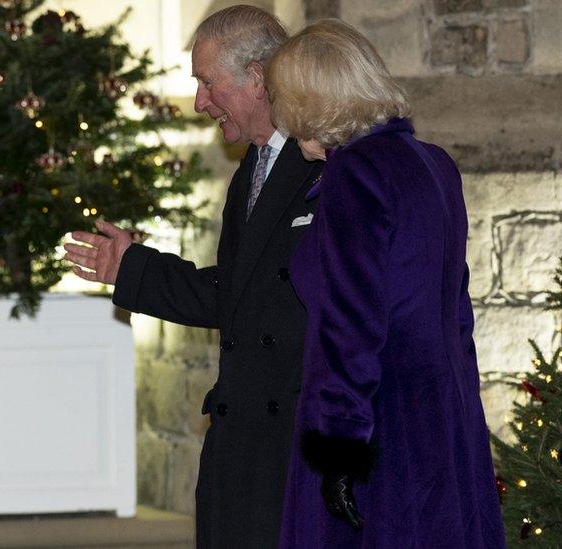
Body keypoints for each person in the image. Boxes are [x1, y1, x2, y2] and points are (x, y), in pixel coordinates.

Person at [64, 6, 323, 547]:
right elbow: (235, 295)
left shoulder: (322, 163)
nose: (202, 102)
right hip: (243, 435)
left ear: (257, 76)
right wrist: (133, 269)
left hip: (295, 442)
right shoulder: (253, 168)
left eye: (207, 82)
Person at [264, 20, 506, 547]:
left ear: (308, 102)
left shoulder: (356, 174)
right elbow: (458, 310)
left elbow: (350, 327)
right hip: (443, 409)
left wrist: (338, 449)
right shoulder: (434, 162)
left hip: (381, 420)